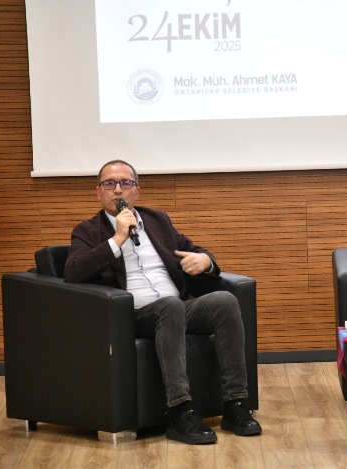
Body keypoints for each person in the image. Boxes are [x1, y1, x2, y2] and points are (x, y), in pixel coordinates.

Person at [64, 160, 261, 445]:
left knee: (224, 301)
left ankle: (235, 405)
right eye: (109, 184)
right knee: (170, 307)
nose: (117, 190)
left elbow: (193, 249)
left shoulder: (157, 221)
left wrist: (205, 261)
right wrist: (118, 239)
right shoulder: (88, 231)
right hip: (132, 315)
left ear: (137, 191)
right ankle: (180, 412)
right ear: (98, 193)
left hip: (176, 307)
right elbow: (73, 271)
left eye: (125, 183)